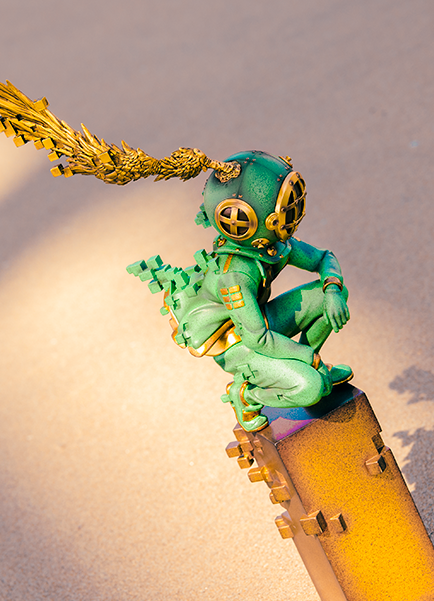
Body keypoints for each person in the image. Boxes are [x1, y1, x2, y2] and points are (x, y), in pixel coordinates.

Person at [128, 151, 352, 431]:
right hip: (239, 345)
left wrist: (332, 290)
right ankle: (248, 395)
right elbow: (258, 340)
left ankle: (312, 367)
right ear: (245, 220)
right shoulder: (235, 276)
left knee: (331, 296)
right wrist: (310, 358)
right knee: (310, 388)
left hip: (260, 321)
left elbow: (323, 258)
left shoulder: (269, 244)